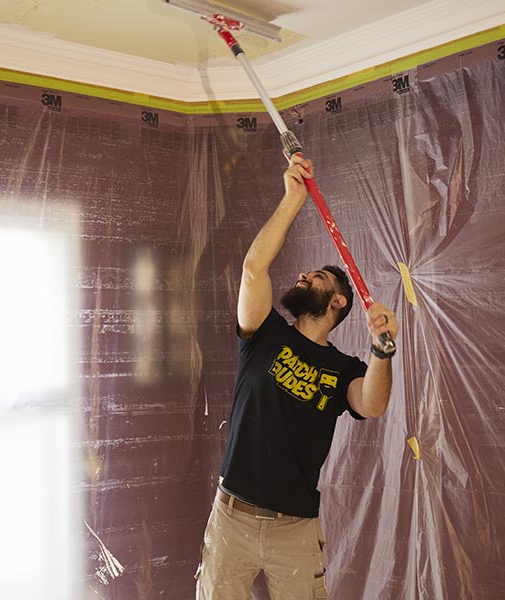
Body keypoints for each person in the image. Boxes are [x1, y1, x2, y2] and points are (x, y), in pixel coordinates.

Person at [195, 154, 398, 599]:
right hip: (233, 517)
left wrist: (383, 349)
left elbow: (374, 403)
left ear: (338, 302)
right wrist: (293, 199)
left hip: (295, 529)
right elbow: (253, 270)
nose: (304, 275)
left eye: (319, 277)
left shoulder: (344, 368)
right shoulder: (263, 334)